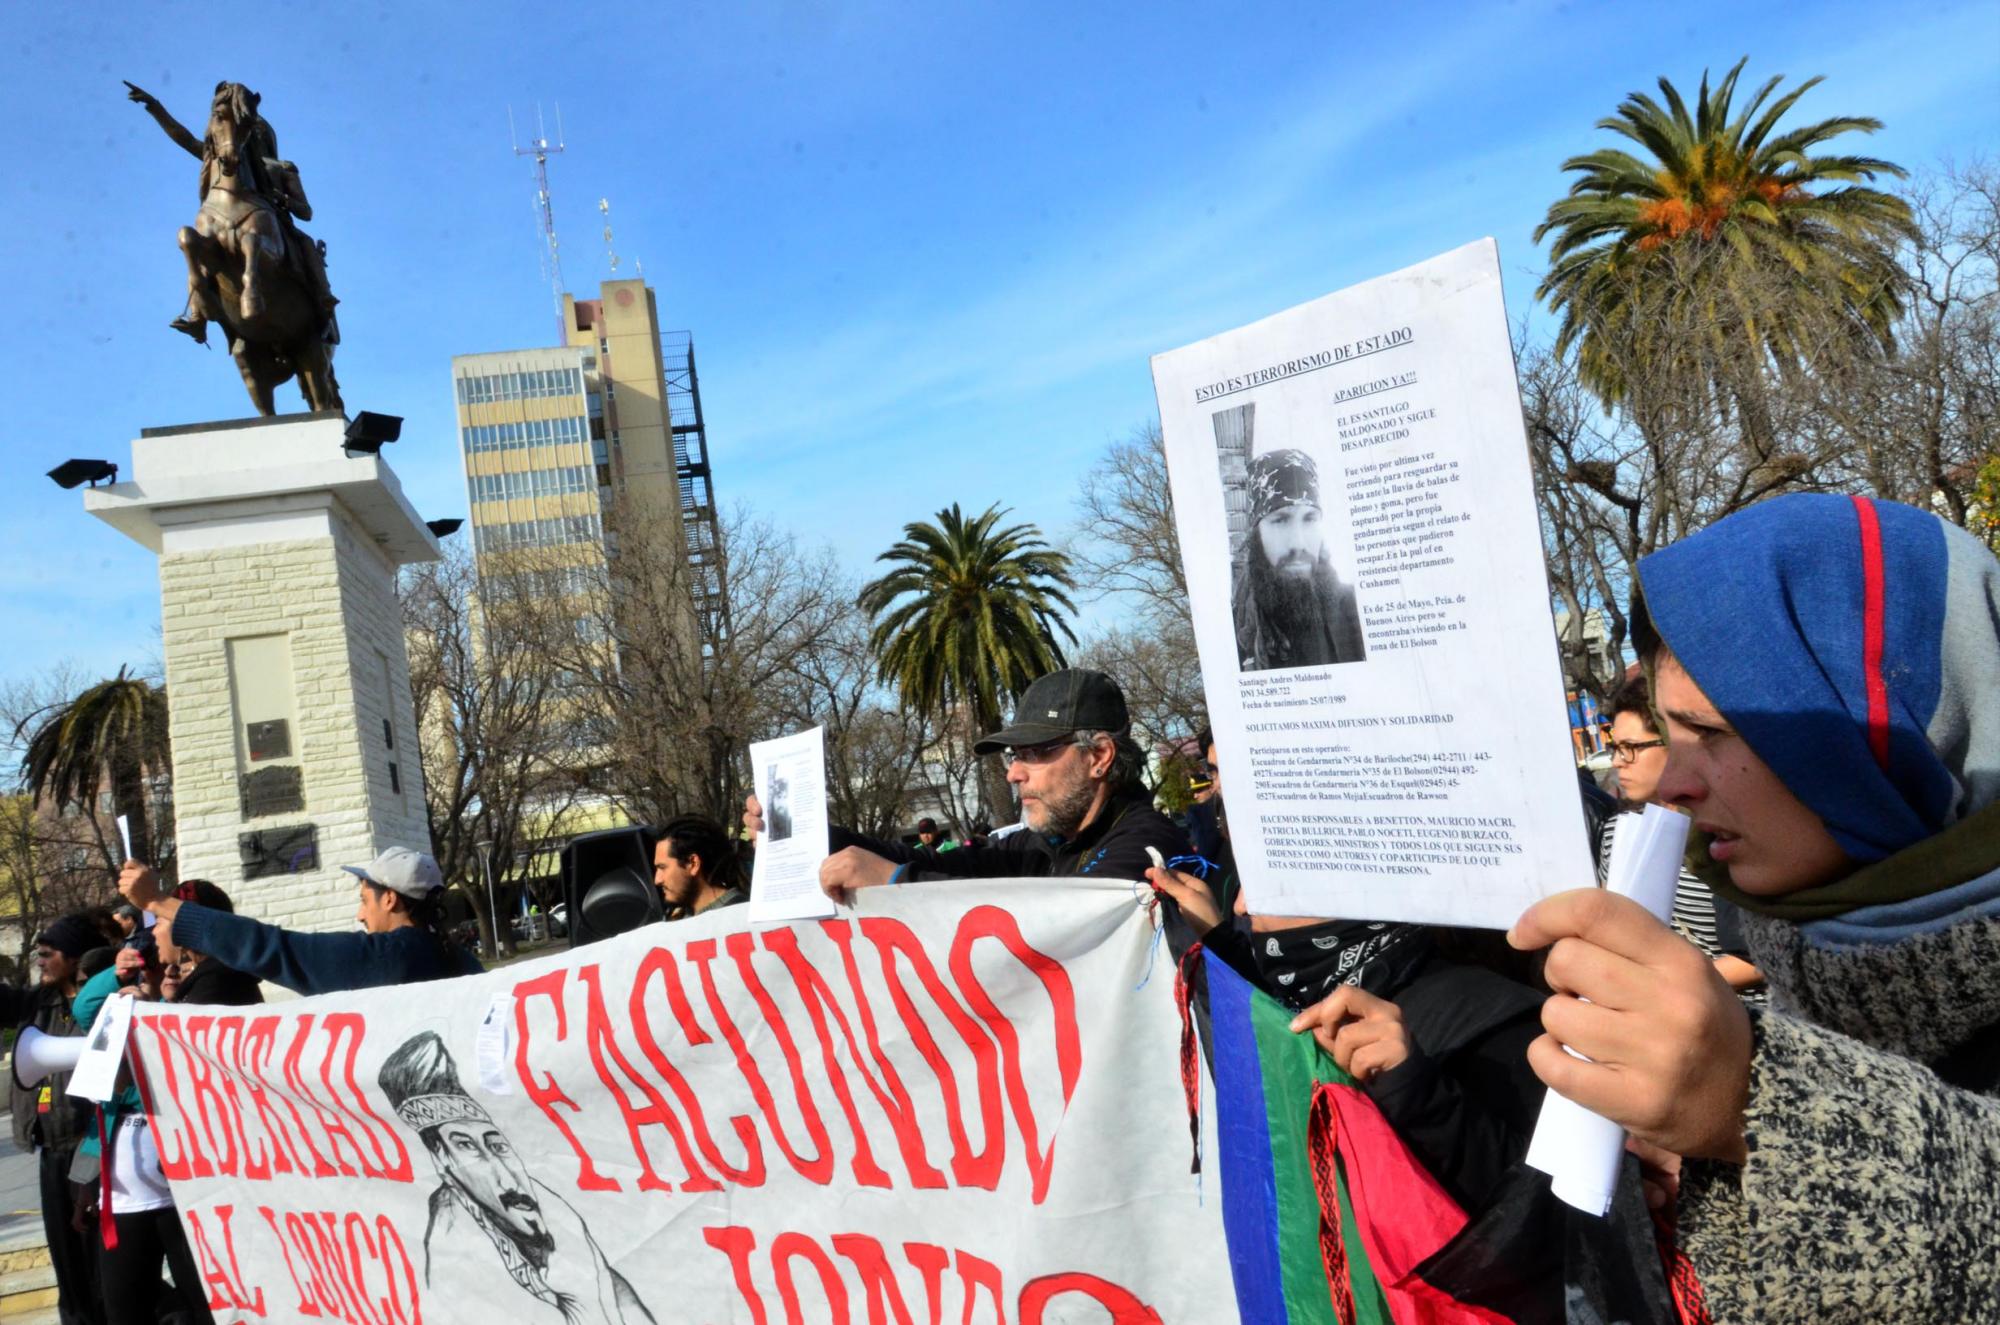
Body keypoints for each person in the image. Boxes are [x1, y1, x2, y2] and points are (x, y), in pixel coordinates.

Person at [1507, 493, 2000, 1322]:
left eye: (1713, 732)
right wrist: (1712, 1158)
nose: (1673, 782)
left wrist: (1763, 1103)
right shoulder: (1815, 965)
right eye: (1669, 735)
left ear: (1871, 735)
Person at [746, 669, 1188, 900]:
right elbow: (937, 863)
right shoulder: (1043, 846)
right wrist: (806, 834)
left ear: (1099, 757)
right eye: (1015, 755)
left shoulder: (1147, 847)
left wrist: (897, 883)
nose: (1014, 773)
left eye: (1035, 753)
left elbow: (1052, 926)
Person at [378, 1032, 654, 1323]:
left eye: (498, 1146)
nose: (509, 1181)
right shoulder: (458, 1261)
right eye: (467, 1146)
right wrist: (583, 1305)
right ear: (442, 1161)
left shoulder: (563, 1229)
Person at [117, 847, 482, 996]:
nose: (360, 915)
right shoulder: (466, 963)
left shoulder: (385, 957)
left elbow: (271, 947)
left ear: (390, 899)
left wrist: (157, 901)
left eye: (363, 900)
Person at [1603, 671, 1764, 1000]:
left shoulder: (1725, 832)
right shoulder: (1616, 832)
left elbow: (1762, 957)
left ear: (1674, 744)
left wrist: (1663, 986)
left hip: (1736, 1011)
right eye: (1615, 748)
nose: (1618, 762)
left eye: (1631, 747)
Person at [69, 959, 211, 1325]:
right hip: (123, 1205)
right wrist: (118, 979)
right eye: (154, 971)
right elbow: (84, 1009)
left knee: (204, 1303)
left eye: (175, 968)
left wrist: (154, 1006)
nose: (166, 975)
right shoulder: (118, 1032)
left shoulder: (179, 1024)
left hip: (179, 1203)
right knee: (124, 1309)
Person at [4, 915, 101, 1325]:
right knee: (67, 1264)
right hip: (52, 1149)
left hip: (91, 1148)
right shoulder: (37, 1003)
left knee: (99, 1261)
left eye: (49, 953)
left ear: (75, 957)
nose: (40, 960)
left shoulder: (96, 1004)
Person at [1233, 449, 1365, 671]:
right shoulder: (1234, 628)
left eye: (1309, 519)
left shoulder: (1356, 608)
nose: (1298, 543)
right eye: (1280, 520)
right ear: (1257, 534)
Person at [650, 816, 747, 918]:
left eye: (662, 867)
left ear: (693, 863)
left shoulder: (740, 916)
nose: (657, 880)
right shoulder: (679, 917)